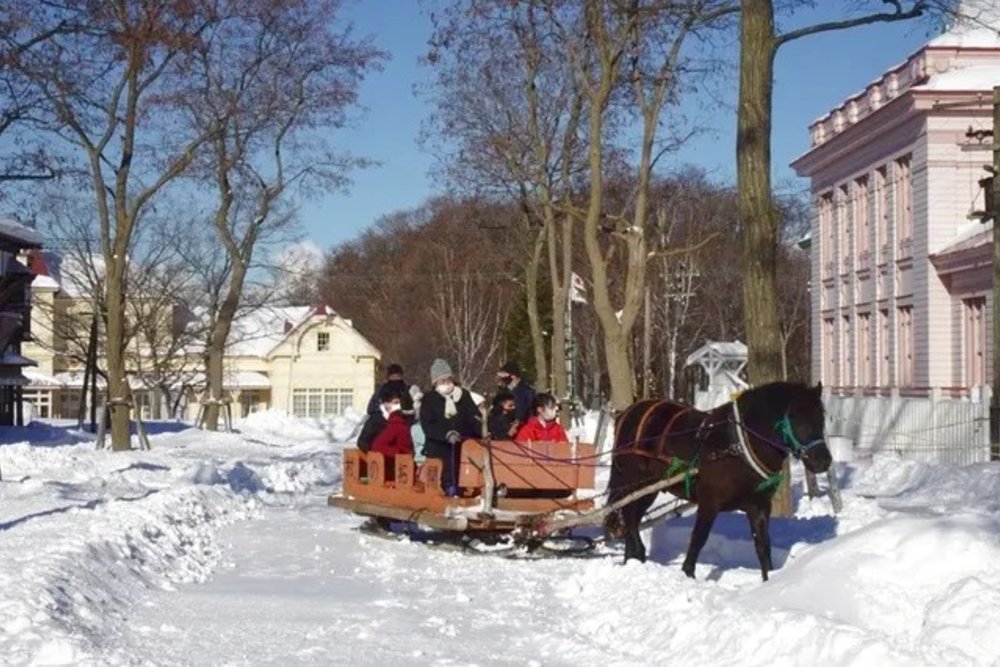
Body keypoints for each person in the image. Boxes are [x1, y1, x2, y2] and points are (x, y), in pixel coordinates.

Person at [420, 358, 480, 496]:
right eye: (442, 381)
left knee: (464, 468)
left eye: (448, 379)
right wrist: (446, 434)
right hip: (439, 448)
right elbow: (428, 426)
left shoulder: (463, 395)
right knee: (445, 473)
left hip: (462, 445)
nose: (446, 383)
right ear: (435, 382)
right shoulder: (429, 399)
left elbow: (473, 417)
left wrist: (480, 429)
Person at [369, 383, 415, 473]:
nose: (397, 405)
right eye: (395, 403)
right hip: (401, 468)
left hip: (405, 466)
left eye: (398, 402)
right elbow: (377, 446)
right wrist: (399, 453)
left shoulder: (403, 421)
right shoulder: (396, 424)